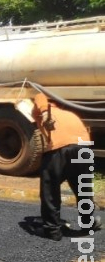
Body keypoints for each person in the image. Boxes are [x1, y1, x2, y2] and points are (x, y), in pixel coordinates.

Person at [31, 93, 102, 240]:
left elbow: (38, 95)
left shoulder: (44, 112)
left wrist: (44, 112)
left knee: (50, 190)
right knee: (83, 189)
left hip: (59, 149)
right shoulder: (70, 114)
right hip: (83, 150)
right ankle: (88, 223)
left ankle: (52, 230)